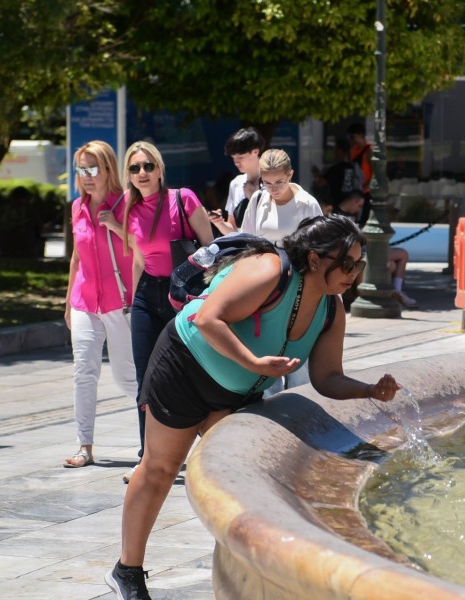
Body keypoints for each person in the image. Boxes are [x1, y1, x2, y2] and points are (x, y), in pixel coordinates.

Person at [104, 215, 401, 599]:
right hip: (184, 367)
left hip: (235, 391)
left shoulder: (332, 308)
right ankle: (126, 570)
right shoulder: (269, 271)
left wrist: (369, 391)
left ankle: (245, 577)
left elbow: (327, 377)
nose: (354, 273)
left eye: (359, 265)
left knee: (236, 480)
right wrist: (254, 364)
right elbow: (209, 318)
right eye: (347, 264)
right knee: (161, 468)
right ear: (314, 259)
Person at [110, 141, 215, 483]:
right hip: (146, 295)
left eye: (148, 166)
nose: (142, 173)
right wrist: (130, 295)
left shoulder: (182, 199)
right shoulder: (127, 205)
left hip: (182, 295)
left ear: (159, 169)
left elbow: (211, 252)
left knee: (189, 375)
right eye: (135, 168)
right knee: (146, 378)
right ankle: (148, 457)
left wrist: (209, 298)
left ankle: (208, 451)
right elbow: (140, 256)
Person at [63, 141, 138, 468]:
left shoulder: (126, 205)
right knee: (84, 372)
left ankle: (161, 437)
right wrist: (68, 303)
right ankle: (85, 446)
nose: (87, 176)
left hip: (120, 304)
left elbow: (142, 248)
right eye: (82, 170)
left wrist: (114, 226)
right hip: (84, 302)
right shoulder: (77, 207)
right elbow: (77, 257)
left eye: (94, 169)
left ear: (108, 170)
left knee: (127, 379)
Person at [334, 191, 418, 308]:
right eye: (359, 206)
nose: (359, 210)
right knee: (389, 265)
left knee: (401, 255)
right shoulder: (336, 215)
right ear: (353, 201)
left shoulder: (355, 216)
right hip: (355, 252)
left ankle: (397, 291)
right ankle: (366, 296)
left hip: (366, 248)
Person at [239, 148, 323, 245]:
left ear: (290, 175)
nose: (273, 189)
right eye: (267, 183)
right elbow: (245, 239)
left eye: (279, 182)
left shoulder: (308, 204)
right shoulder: (257, 199)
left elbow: (317, 245)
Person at [209, 127, 263, 235]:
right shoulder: (236, 184)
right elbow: (233, 230)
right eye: (233, 157)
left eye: (241, 157)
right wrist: (219, 222)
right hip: (243, 249)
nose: (236, 162)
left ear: (255, 151)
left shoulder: (272, 182)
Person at [0, 186, 44, 257]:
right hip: (27, 249)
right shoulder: (29, 210)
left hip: (5, 249)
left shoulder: (3, 210)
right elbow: (40, 228)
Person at [348, 122, 374, 225]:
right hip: (355, 192)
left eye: (352, 137)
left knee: (364, 221)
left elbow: (375, 174)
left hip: (366, 193)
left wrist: (364, 188)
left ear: (360, 135)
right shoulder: (352, 150)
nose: (351, 140)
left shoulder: (369, 151)